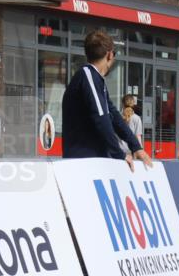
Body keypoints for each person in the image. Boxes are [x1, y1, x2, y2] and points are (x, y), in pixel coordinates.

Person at [61, 30, 151, 171]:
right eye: (114, 54)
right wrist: (119, 154)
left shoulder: (96, 80)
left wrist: (136, 146)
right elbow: (101, 119)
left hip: (91, 160)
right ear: (109, 55)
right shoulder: (88, 76)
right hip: (84, 162)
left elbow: (114, 116)